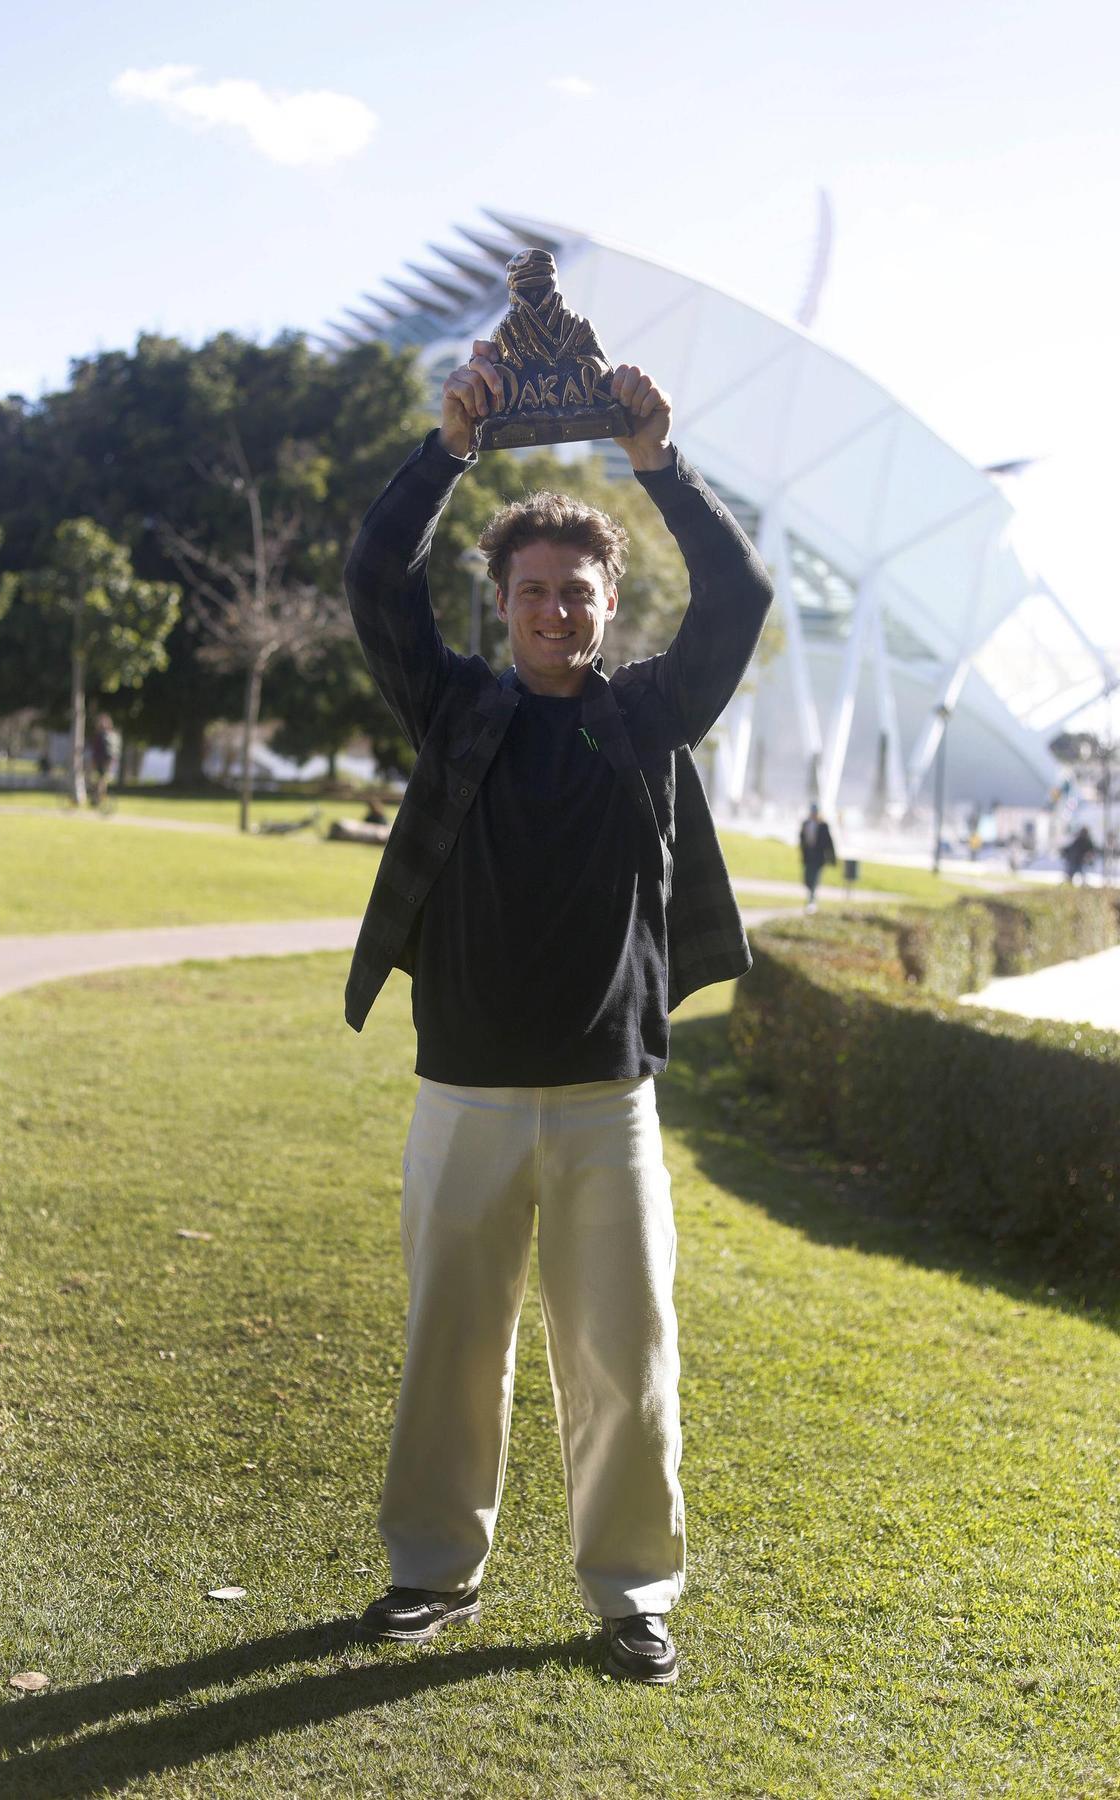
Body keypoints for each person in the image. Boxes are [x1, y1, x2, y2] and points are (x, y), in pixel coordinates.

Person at [341, 337, 773, 1685]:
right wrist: (451, 445)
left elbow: (742, 598)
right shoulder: (456, 706)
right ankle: (431, 1572)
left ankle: (633, 1592)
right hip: (464, 1089)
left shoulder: (645, 716)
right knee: (448, 1347)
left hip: (608, 1101)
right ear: (503, 599)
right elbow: (373, 577)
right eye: (531, 592)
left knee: (625, 1362)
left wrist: (659, 463)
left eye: (575, 594)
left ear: (607, 600)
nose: (552, 613)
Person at [799, 802, 837, 911]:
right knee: (807, 879)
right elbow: (802, 839)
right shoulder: (806, 823)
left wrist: (832, 858)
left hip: (818, 858)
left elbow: (829, 842)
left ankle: (811, 900)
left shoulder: (823, 825)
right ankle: (811, 896)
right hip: (808, 857)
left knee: (814, 879)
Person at [89, 714, 121, 811]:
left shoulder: (101, 735)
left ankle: (97, 799)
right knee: (102, 781)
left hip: (101, 761)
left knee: (99, 780)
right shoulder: (112, 735)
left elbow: (97, 750)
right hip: (109, 761)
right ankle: (98, 799)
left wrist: (94, 761)